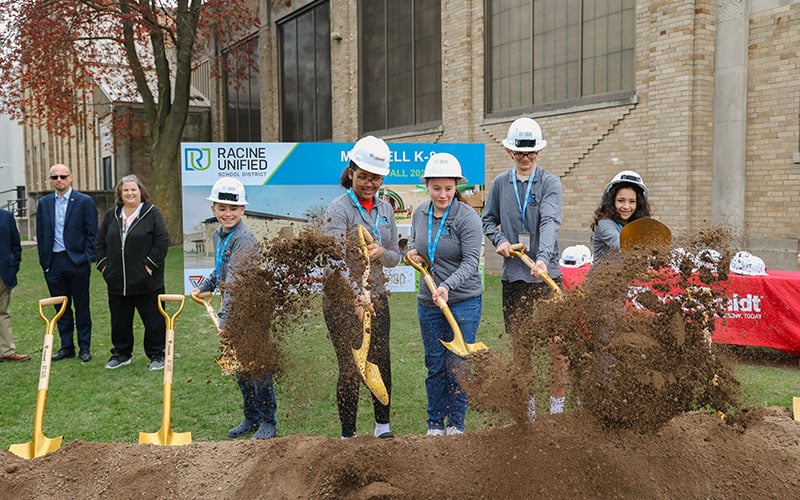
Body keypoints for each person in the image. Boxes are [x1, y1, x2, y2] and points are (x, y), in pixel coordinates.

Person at [482, 117, 566, 421]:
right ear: (509, 152)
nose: (526, 158)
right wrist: (501, 240)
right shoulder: (500, 185)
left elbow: (550, 221)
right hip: (514, 278)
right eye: (520, 153)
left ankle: (557, 411)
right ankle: (529, 411)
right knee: (522, 344)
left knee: (558, 345)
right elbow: (487, 220)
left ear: (539, 152)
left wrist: (543, 258)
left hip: (547, 275)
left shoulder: (549, 183)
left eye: (531, 153)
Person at [322, 136, 401, 439]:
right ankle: (348, 435)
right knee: (351, 365)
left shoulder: (386, 210)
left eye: (376, 177)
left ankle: (383, 427)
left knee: (381, 360)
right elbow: (333, 260)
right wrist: (354, 295)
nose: (370, 183)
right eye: (364, 176)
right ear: (352, 171)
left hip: (377, 297)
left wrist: (383, 253)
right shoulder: (338, 209)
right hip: (341, 300)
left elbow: (394, 256)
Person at [191, 177, 278, 440]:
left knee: (256, 366)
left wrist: (224, 320)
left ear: (242, 210)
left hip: (252, 311)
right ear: (214, 210)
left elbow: (237, 281)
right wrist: (205, 285)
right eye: (222, 208)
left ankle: (268, 420)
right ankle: (250, 417)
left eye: (233, 209)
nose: (227, 214)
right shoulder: (219, 234)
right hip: (234, 309)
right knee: (239, 367)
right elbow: (222, 270)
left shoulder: (244, 239)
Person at [406, 153, 483, 436]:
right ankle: (435, 423)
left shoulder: (467, 217)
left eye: (448, 188)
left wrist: (447, 285)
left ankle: (456, 424)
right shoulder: (420, 213)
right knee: (435, 363)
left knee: (458, 364)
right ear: (427, 186)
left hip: (463, 300)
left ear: (456, 187)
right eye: (436, 188)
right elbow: (421, 248)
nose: (443, 194)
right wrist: (413, 254)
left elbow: (471, 261)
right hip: (429, 302)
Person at [96, 175, 170, 371]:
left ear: (140, 192)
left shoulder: (152, 213)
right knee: (119, 321)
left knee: (154, 321)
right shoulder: (112, 214)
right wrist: (105, 267)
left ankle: (156, 355)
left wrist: (149, 266)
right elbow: (99, 242)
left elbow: (162, 241)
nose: (129, 193)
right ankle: (121, 354)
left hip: (148, 283)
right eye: (125, 190)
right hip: (117, 282)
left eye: (133, 189)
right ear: (120, 193)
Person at [36, 163, 98, 362]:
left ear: (71, 178)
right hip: (53, 263)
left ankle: (85, 347)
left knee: (81, 306)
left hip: (77, 262)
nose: (59, 180)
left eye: (63, 176)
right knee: (60, 307)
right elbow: (41, 233)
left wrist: (87, 258)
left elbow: (92, 233)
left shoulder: (84, 201)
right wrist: (44, 260)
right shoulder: (44, 203)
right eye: (55, 177)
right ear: (50, 180)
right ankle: (66, 346)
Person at [590, 170, 651, 264]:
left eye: (632, 201)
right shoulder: (604, 223)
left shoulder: (637, 224)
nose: (626, 206)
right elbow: (620, 244)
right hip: (604, 277)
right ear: (612, 201)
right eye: (621, 200)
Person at [0, 209, 30, 362]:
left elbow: (15, 245)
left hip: (3, 273)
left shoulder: (6, 216)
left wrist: (13, 265)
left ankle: (6, 351)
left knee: (2, 311)